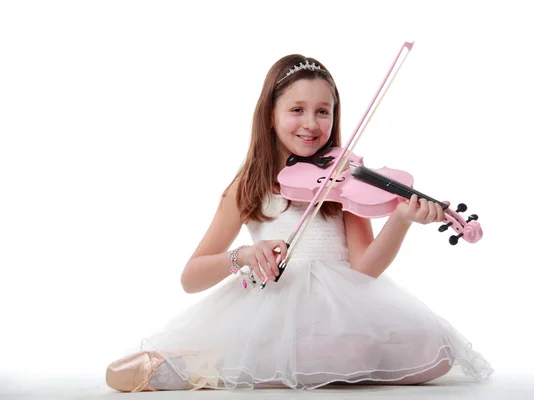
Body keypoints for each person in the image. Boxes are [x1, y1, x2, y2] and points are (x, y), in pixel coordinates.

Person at [105, 54, 494, 392]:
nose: (311, 123)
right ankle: (197, 365)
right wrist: (243, 255)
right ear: (270, 116)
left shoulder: (345, 181)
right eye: (297, 110)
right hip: (272, 308)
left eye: (323, 111)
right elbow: (191, 277)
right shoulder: (248, 186)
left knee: (435, 354)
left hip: (344, 307)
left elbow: (364, 269)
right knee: (354, 351)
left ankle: (266, 365)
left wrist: (401, 220)